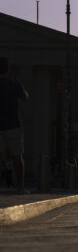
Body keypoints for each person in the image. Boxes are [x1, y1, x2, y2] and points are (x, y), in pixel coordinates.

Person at [0, 57, 29, 193]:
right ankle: (21, 187)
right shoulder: (14, 83)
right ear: (8, 69)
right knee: (17, 157)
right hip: (13, 125)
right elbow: (25, 97)